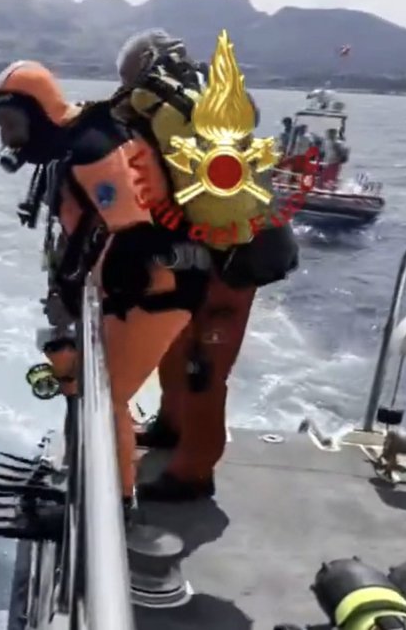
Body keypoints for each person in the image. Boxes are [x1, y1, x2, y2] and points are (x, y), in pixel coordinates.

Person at [0, 59, 209, 510]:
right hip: (136, 291)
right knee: (87, 384)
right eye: (1, 125)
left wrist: (80, 298)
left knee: (106, 399)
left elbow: (133, 241)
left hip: (157, 293)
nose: (6, 138)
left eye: (12, 123)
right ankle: (86, 474)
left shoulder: (93, 149)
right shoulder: (76, 142)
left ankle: (113, 504)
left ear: (39, 112)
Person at [111, 30, 299, 502]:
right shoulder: (206, 95)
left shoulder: (153, 110)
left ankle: (194, 474)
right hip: (224, 244)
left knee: (204, 368)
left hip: (238, 255)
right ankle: (171, 428)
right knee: (179, 345)